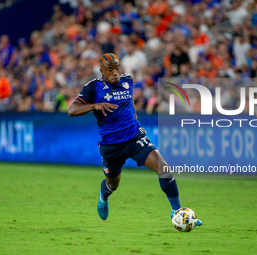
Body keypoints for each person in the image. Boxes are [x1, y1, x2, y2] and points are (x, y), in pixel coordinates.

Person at [68, 53, 202, 225]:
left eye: (117, 68)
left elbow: (129, 102)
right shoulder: (93, 88)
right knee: (113, 185)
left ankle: (177, 212)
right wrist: (96, 105)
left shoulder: (127, 81)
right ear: (101, 71)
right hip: (111, 145)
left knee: (164, 169)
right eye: (110, 70)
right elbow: (72, 110)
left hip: (134, 138)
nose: (115, 72)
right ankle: (104, 195)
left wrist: (136, 121)